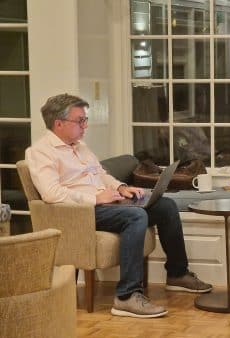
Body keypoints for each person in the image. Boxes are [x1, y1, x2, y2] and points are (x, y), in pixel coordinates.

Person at [26, 93, 213, 319]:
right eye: (80, 120)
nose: (85, 125)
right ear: (59, 123)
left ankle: (177, 273)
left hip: (105, 204)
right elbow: (51, 194)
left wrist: (122, 187)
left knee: (166, 207)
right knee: (135, 216)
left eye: (85, 119)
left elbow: (101, 175)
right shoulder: (40, 152)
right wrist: (96, 199)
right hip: (82, 212)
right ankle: (126, 297)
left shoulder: (80, 146)